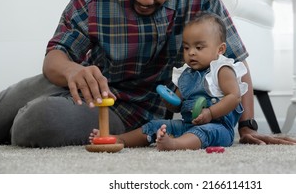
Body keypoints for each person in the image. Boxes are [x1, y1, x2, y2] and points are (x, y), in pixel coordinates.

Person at [0, 0, 296, 147]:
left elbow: (235, 61)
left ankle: (30, 114)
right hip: (81, 84)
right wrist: (71, 71)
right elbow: (54, 58)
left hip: (127, 114)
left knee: (34, 124)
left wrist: (247, 127)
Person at [90, 12, 248, 151]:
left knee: (204, 131)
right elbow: (177, 105)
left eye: (199, 48)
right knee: (155, 125)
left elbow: (234, 97)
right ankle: (121, 139)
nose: (191, 53)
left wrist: (211, 112)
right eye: (186, 48)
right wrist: (169, 100)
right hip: (188, 125)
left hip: (218, 127)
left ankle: (175, 145)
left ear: (220, 50)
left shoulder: (222, 70)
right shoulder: (186, 74)